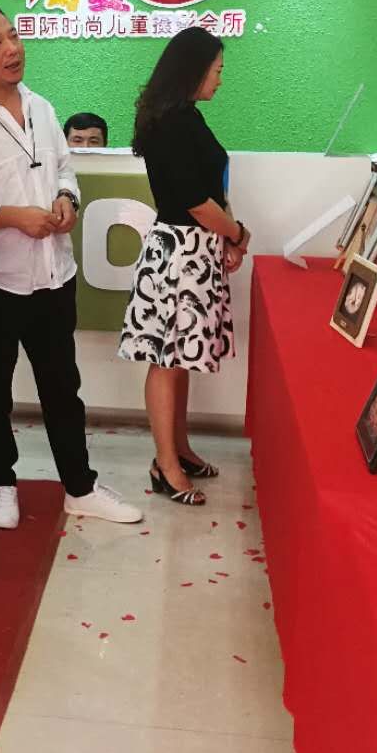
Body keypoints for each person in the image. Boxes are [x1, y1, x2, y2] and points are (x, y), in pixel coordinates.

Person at [0, 1, 142, 529]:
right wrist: (11, 217)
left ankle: (80, 486)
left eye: (13, 37)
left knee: (62, 387)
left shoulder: (42, 108)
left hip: (55, 273)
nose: (13, 50)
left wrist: (66, 199)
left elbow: (65, 170)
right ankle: (2, 483)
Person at [118, 26, 247, 507]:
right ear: (193, 70)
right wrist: (236, 233)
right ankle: (165, 464)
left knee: (181, 357)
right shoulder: (171, 123)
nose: (220, 79)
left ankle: (180, 450)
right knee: (165, 360)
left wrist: (227, 235)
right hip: (179, 253)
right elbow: (194, 200)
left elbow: (209, 190)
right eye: (217, 70)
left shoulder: (185, 116)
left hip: (196, 249)